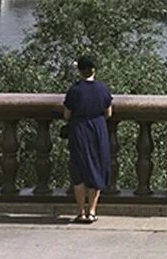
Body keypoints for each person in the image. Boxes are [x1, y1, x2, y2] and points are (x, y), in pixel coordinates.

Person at [63, 56, 113, 223]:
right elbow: (109, 113)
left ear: (80, 71)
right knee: (97, 166)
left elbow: (66, 115)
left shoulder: (74, 90)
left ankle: (80, 211)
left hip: (79, 130)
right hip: (98, 129)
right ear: (94, 70)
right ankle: (92, 211)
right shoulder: (102, 89)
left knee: (79, 170)